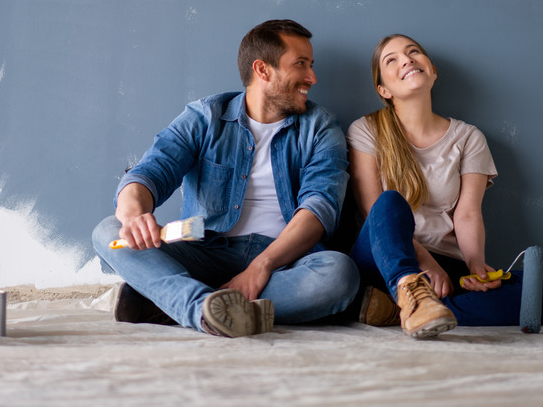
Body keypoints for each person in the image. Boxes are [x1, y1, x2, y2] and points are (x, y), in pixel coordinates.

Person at [92, 19, 359, 338]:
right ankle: (202, 309)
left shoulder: (321, 127)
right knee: (109, 231)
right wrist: (134, 215)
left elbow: (320, 208)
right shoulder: (205, 117)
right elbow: (150, 171)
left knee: (340, 275)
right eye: (301, 65)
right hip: (203, 249)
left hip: (285, 261)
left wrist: (261, 266)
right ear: (263, 70)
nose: (312, 77)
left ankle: (171, 303)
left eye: (311, 65)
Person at [346, 34, 543, 338]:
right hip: (385, 261)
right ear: (383, 89)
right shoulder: (366, 130)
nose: (407, 60)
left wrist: (476, 266)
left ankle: (403, 310)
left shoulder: (468, 138)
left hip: (448, 268)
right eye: (391, 59)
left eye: (414, 53)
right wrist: (423, 263)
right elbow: (372, 210)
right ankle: (411, 294)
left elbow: (467, 214)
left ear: (432, 71)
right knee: (390, 202)